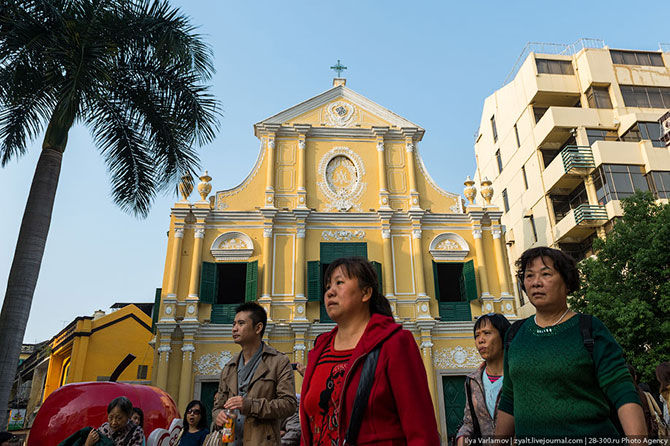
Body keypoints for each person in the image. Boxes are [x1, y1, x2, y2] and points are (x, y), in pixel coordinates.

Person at [495, 247, 646, 441]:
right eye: (529, 276)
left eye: (546, 274)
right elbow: (509, 399)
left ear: (567, 282)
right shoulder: (515, 334)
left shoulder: (589, 328)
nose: (536, 283)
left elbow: (622, 390)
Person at [300, 257, 440, 446]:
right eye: (327, 287)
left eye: (339, 283)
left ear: (365, 293)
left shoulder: (394, 343)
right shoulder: (320, 350)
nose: (330, 292)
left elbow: (421, 429)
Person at [212, 302, 297, 445]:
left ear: (258, 328)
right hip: (230, 441)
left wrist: (251, 405)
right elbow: (218, 406)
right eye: (234, 324)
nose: (234, 328)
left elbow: (289, 405)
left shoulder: (279, 362)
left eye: (241, 323)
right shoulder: (229, 367)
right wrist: (218, 416)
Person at [456, 313, 510, 445]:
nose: (480, 340)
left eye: (486, 333)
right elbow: (469, 422)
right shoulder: (472, 381)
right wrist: (462, 438)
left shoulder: (517, 377)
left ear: (503, 336)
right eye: (477, 335)